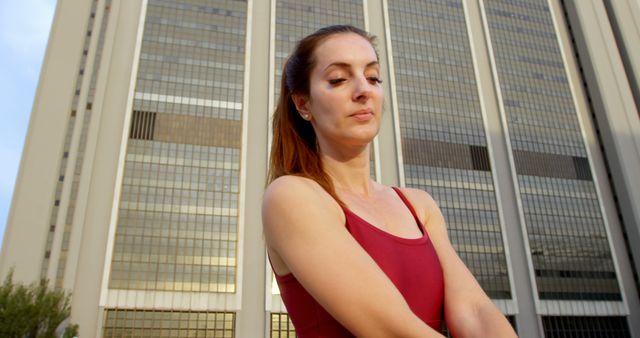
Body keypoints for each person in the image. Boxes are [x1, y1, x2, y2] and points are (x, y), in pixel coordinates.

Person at [262, 25, 517, 338]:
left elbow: (474, 311)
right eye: (339, 79)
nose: (363, 90)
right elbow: (392, 330)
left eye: (372, 77)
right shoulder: (291, 196)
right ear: (303, 104)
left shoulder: (418, 205)